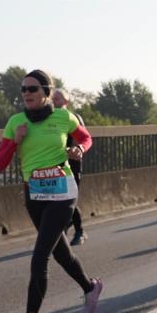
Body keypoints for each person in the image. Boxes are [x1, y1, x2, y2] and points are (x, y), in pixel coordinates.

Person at [0, 69, 104, 313]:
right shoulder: (16, 122)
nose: (26, 94)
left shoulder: (62, 117)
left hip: (63, 192)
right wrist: (16, 141)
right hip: (35, 194)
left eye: (32, 89)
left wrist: (79, 149)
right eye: (23, 90)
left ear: (46, 92)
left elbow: (86, 138)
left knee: (40, 256)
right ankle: (90, 288)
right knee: (62, 253)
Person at [52, 88, 89, 245]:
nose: (54, 101)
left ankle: (79, 231)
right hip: (56, 165)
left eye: (58, 99)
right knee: (58, 200)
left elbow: (80, 140)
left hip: (72, 165)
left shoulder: (73, 118)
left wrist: (72, 149)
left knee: (69, 200)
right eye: (53, 99)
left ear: (66, 102)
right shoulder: (50, 118)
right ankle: (63, 232)